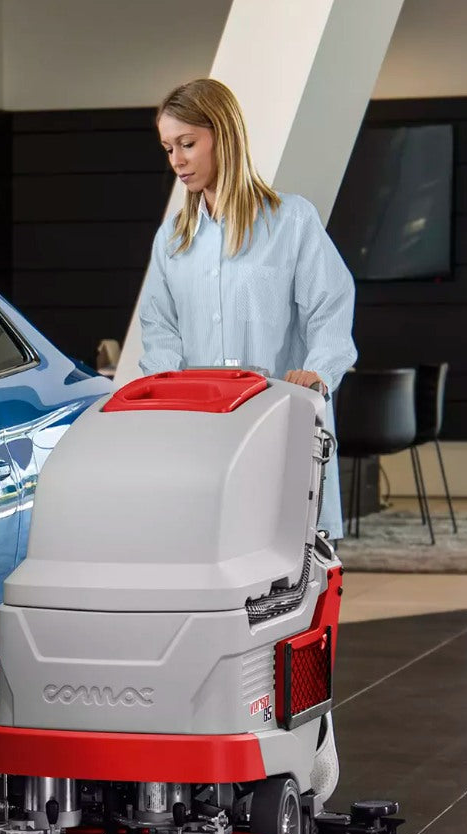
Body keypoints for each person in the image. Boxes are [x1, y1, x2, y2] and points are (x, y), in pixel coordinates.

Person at [138, 78, 356, 539]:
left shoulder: (292, 221)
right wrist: (165, 390)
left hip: (281, 429)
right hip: (201, 437)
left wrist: (317, 372)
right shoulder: (171, 241)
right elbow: (159, 329)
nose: (176, 160)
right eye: (167, 148)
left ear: (224, 135)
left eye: (187, 144)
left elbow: (331, 308)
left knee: (294, 578)